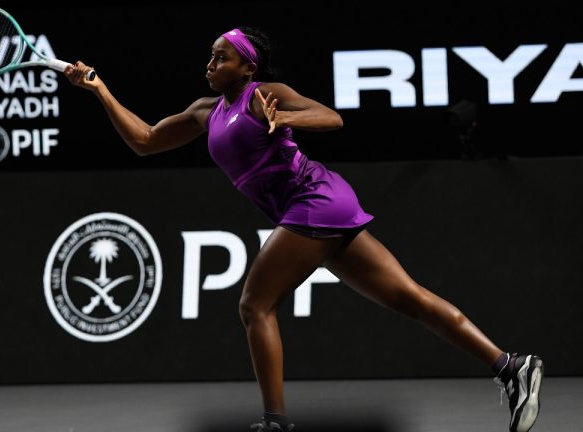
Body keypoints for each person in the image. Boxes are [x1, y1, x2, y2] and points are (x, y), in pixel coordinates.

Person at [64, 27, 544, 432]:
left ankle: (275, 422)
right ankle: (511, 367)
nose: (210, 62)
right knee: (410, 299)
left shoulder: (265, 95)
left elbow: (331, 117)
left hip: (314, 200)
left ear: (248, 67)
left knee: (254, 304)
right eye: (210, 55)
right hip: (317, 208)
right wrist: (99, 89)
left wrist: (285, 119)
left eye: (221, 56)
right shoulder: (204, 112)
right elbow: (145, 141)